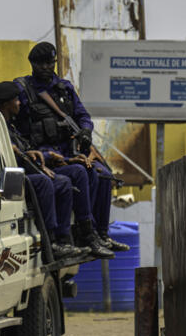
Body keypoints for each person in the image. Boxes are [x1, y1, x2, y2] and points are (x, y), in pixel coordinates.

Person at [14, 42, 128, 254]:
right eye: (42, 64)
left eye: (50, 63)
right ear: (32, 64)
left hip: (68, 151)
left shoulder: (64, 88)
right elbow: (14, 125)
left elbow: (82, 115)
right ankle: (85, 233)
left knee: (103, 174)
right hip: (44, 155)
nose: (47, 68)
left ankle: (101, 234)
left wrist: (85, 131)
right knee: (82, 172)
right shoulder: (23, 90)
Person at [0, 82, 85, 258]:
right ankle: (51, 240)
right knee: (44, 182)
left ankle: (68, 237)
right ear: (6, 104)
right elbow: (11, 156)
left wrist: (48, 157)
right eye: (15, 100)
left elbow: (25, 151)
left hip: (24, 171)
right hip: (8, 181)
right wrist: (37, 161)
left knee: (69, 177)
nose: (19, 103)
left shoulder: (10, 125)